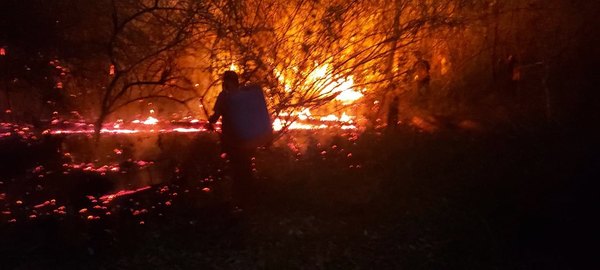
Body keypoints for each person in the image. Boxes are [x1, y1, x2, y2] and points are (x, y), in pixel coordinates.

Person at [208, 71, 271, 207]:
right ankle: (249, 199)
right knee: (245, 168)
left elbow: (216, 116)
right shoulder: (244, 95)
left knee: (238, 170)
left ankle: (241, 200)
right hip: (246, 139)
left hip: (233, 141)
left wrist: (209, 122)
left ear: (227, 82)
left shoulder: (224, 97)